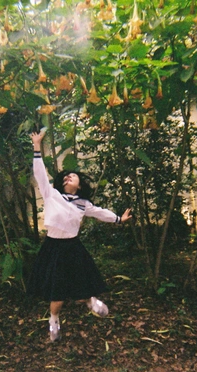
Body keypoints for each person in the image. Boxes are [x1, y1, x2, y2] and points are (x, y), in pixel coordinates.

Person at [27, 130, 132, 341]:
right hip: (53, 248)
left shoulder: (84, 204)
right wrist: (36, 146)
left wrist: (119, 219)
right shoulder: (51, 195)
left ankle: (91, 302)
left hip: (73, 247)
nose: (68, 176)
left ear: (80, 185)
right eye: (65, 176)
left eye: (73, 176)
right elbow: (39, 174)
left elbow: (100, 213)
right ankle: (54, 320)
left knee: (82, 284)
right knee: (57, 292)